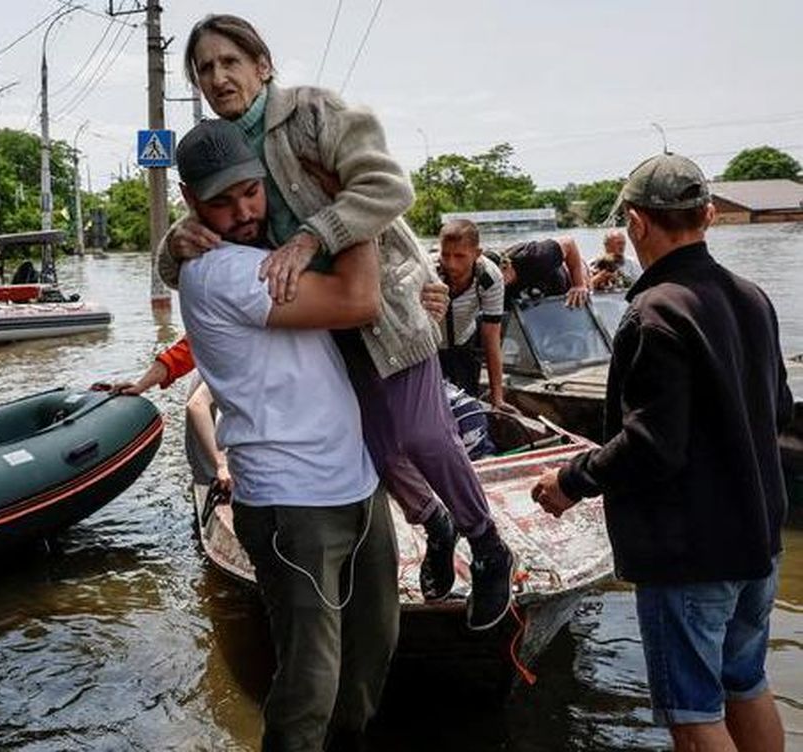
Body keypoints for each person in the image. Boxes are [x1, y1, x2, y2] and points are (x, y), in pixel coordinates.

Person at [156, 14, 515, 627]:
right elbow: (197, 247)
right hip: (329, 325)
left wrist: (309, 235)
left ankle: (488, 546)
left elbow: (388, 186)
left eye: (230, 62)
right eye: (205, 69)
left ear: (261, 65)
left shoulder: (313, 112)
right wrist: (174, 243)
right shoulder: (225, 148)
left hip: (392, 309)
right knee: (375, 452)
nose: (218, 77)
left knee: (424, 435)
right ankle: (436, 523)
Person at [531, 153, 792, 752]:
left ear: (637, 224)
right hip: (758, 538)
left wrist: (569, 480)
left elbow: (651, 446)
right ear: (707, 215)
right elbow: (775, 411)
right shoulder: (752, 297)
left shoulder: (655, 312)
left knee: (693, 712)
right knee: (745, 683)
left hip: (692, 553)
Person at [175, 118, 398, 750]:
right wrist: (340, 200)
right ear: (192, 204)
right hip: (289, 500)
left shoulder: (271, 245)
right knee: (309, 685)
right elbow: (359, 300)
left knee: (368, 660)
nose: (244, 210)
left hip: (356, 483)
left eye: (251, 190)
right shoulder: (219, 272)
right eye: (220, 201)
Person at [436, 219, 507, 404]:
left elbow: (491, 337)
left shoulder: (489, 278)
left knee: (467, 402)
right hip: (430, 349)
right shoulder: (427, 272)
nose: (451, 264)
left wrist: (497, 397)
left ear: (477, 254)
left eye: (460, 256)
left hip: (463, 344)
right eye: (445, 255)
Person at [499, 235, 589, 308]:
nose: (499, 283)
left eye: (500, 277)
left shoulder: (534, 256)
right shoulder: (496, 288)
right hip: (538, 299)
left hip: (566, 275)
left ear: (506, 266)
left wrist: (579, 285)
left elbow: (569, 243)